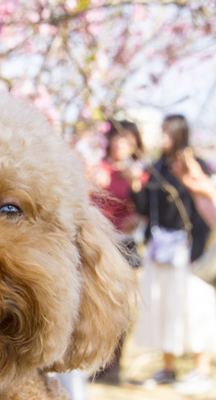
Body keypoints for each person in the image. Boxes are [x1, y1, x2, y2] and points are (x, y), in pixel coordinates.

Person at [130, 115, 216, 394]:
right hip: (159, 248)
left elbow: (204, 212)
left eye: (166, 132)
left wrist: (197, 250)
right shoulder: (155, 168)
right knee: (161, 306)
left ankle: (201, 369)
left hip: (187, 248)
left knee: (195, 306)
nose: (162, 137)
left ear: (179, 133)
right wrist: (135, 185)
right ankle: (168, 368)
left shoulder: (196, 167)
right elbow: (145, 209)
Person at [91, 120, 146, 384]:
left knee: (122, 306)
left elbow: (145, 210)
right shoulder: (95, 169)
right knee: (94, 302)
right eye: (118, 138)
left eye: (128, 140)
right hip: (98, 243)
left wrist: (136, 190)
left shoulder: (139, 174)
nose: (122, 144)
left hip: (124, 244)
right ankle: (92, 364)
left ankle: (114, 367)